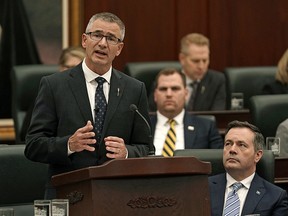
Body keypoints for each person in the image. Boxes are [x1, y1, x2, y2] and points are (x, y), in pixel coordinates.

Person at [24, 12, 151, 199]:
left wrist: (126, 152)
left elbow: (146, 147)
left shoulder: (135, 89)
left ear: (119, 48)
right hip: (67, 194)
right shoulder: (54, 85)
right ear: (85, 40)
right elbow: (33, 145)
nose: (102, 43)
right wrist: (69, 144)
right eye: (97, 35)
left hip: (117, 195)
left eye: (111, 38)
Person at [209, 120, 288, 215]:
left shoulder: (276, 197)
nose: (232, 150)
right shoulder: (202, 188)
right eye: (228, 144)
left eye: (241, 145)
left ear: (257, 155)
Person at [150, 68, 223, 156]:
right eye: (163, 89)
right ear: (155, 95)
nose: (169, 94)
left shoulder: (206, 128)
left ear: (186, 94)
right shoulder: (143, 127)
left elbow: (219, 162)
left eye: (175, 88)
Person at [20, 46, 86, 142]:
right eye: (69, 67)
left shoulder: (91, 95)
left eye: (78, 68)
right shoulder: (48, 92)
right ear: (60, 67)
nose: (73, 72)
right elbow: (28, 135)